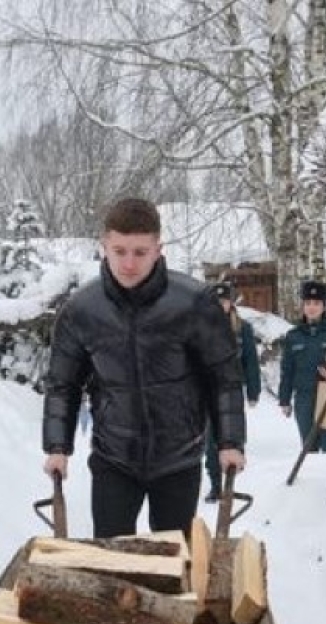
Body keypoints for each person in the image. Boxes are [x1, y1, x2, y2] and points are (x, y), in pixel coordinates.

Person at [41, 198, 247, 537]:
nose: (129, 263)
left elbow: (223, 377)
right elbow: (63, 384)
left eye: (140, 252)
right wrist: (57, 447)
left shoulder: (194, 303)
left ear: (158, 249)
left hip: (178, 457)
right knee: (113, 556)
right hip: (113, 457)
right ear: (104, 246)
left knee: (173, 555)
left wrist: (230, 441)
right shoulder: (81, 311)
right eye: (119, 251)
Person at [204, 281, 261, 503]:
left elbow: (251, 362)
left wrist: (253, 391)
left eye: (224, 300)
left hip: (233, 392)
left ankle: (229, 481)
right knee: (211, 440)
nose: (221, 305)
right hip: (209, 390)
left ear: (231, 303)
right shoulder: (201, 327)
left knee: (232, 439)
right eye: (216, 301)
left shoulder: (242, 328)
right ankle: (215, 485)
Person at [278, 279, 326, 453]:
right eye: (308, 303)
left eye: (316, 303)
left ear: (324, 306)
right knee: (309, 448)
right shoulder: (293, 336)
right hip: (304, 398)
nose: (312, 307)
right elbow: (287, 369)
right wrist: (284, 399)